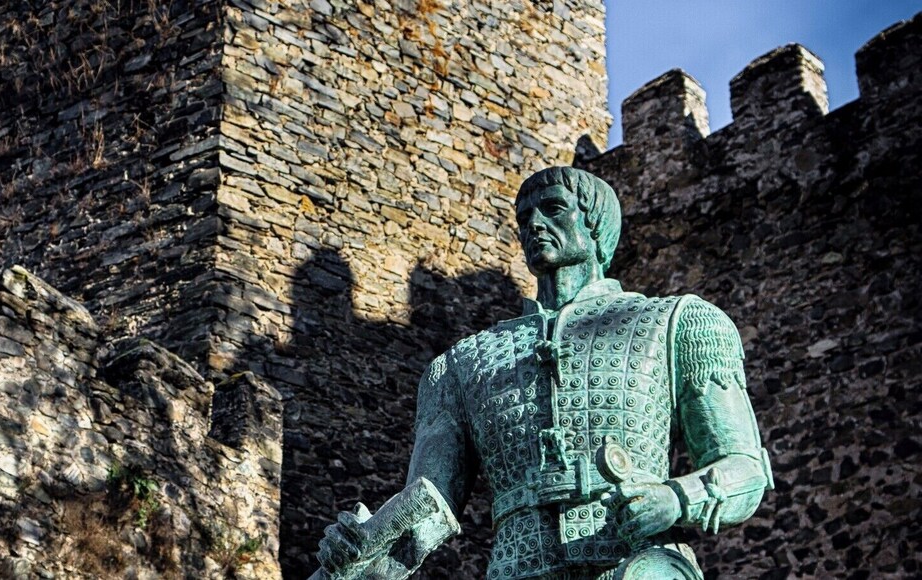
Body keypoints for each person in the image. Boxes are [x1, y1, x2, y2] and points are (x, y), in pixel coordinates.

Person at [314, 167, 773, 579]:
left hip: (637, 564)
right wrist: (360, 550)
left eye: (554, 209)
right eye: (524, 218)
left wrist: (676, 499)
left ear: (596, 225)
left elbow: (745, 468)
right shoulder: (457, 366)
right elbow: (426, 507)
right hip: (518, 568)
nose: (534, 225)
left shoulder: (682, 323)